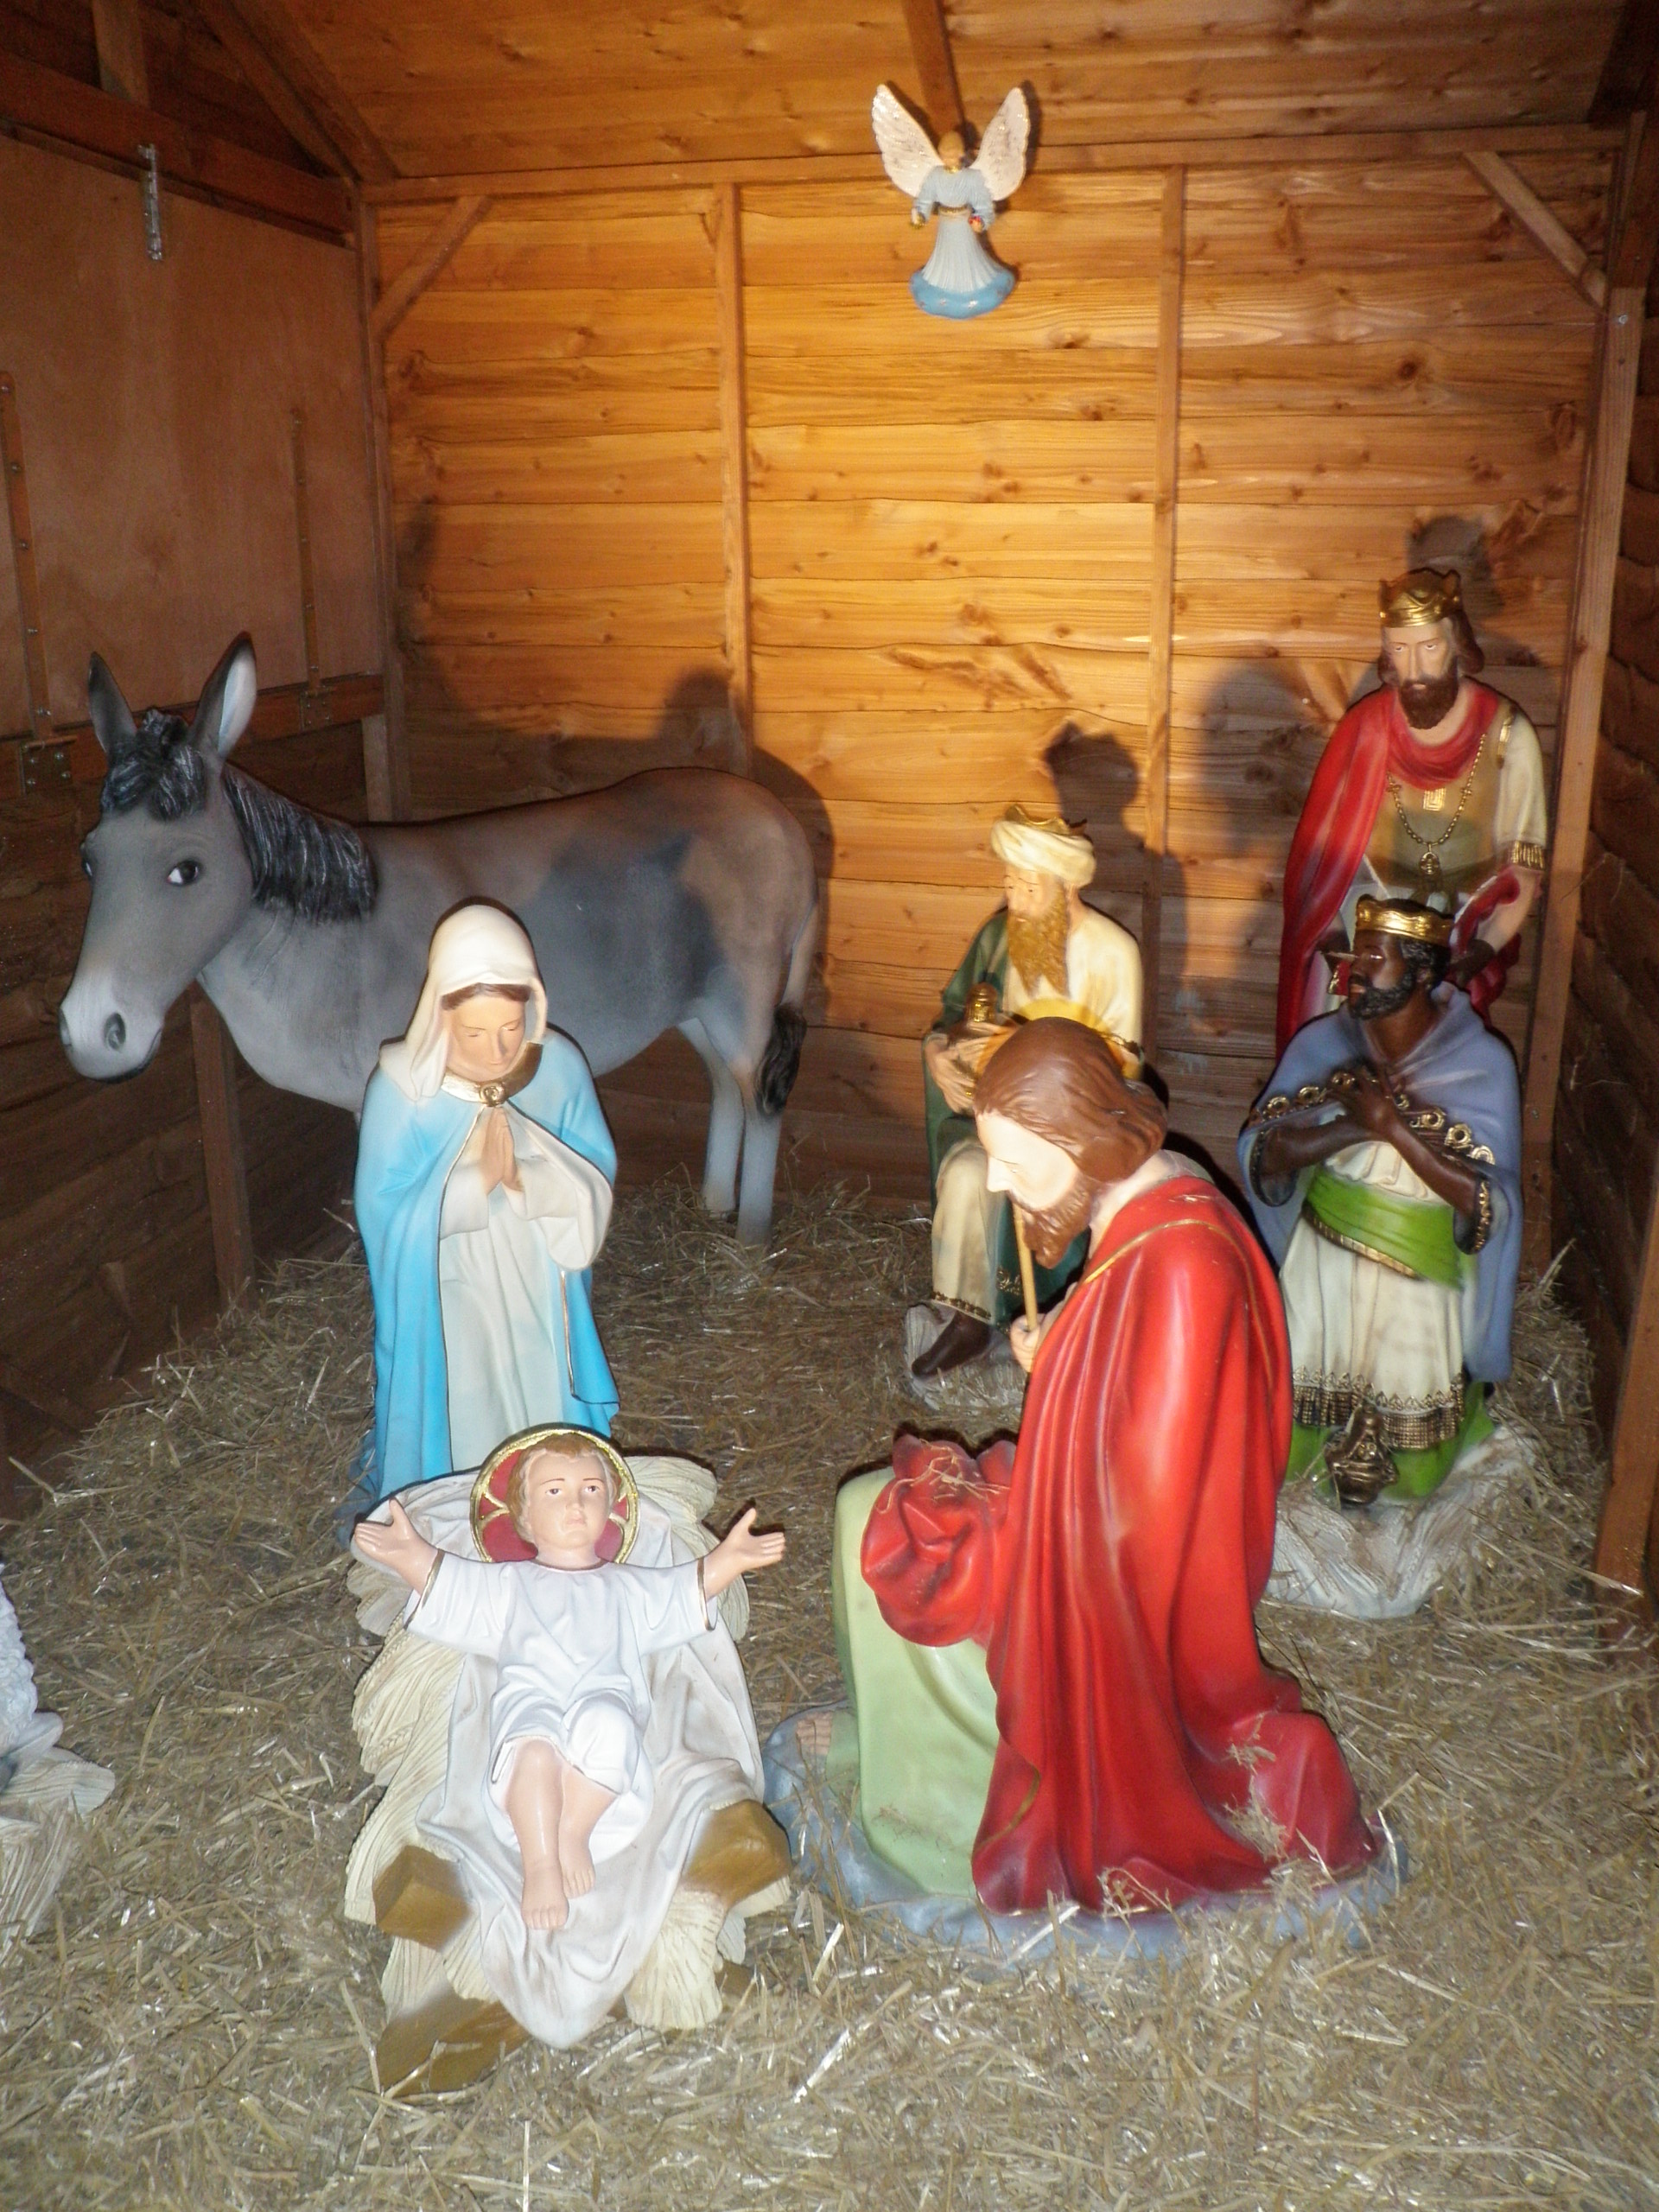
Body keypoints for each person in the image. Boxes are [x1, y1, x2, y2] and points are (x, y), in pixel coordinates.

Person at [835, 1019, 1376, 1913]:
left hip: (1111, 1587)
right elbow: (1124, 1371)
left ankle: (935, 1798)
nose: (997, 1182)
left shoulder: (1183, 1262)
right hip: (1079, 1510)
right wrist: (1060, 1348)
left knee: (884, 1523)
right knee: (882, 1507)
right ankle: (902, 1761)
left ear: (1081, 1140)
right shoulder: (1148, 1205)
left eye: (1015, 1160)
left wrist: (1029, 1479)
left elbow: (1143, 1507)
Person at [354, 1431, 784, 1931]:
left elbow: (678, 1594)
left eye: (591, 1490)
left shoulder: (624, 1586)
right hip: (530, 1712)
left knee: (611, 1726)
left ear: (611, 1507)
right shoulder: (511, 1585)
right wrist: (410, 1556)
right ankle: (540, 1865)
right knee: (534, 1751)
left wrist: (729, 1560)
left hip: (605, 1753)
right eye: (554, 1491)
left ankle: (573, 1832)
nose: (575, 1504)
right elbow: (457, 1589)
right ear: (524, 1516)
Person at [1242, 898, 1522, 1504]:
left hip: (1418, 1281)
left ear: (1420, 972)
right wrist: (1355, 1127)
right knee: (1294, 1444)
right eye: (1358, 955)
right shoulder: (1323, 1044)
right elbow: (1265, 1154)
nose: (1355, 969)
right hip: (1321, 1267)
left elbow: (1489, 1204)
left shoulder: (1482, 1066)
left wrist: (1395, 1131)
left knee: (1408, 1474)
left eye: (1374, 958)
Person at [354, 903, 618, 1501]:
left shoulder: (559, 1069)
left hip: (536, 1284)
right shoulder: (402, 1094)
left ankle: (552, 1506)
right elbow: (383, 1214)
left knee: (540, 1393)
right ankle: (463, 1510)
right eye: (475, 1034)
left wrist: (527, 1179)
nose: (498, 1051)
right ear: (440, 1016)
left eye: (511, 1027)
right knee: (470, 1401)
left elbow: (594, 1172)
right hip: (453, 1293)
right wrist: (474, 1185)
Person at [1275, 566, 1548, 1050]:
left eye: (1430, 646)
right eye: (1400, 649)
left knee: (1445, 1061)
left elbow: (1522, 877)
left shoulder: (1508, 736)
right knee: (1334, 1053)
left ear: (1456, 644)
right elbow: (1317, 866)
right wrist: (1337, 943)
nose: (1416, 669)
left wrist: (1473, 956)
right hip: (1364, 934)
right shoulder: (1365, 729)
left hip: (1456, 935)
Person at [913, 804, 1142, 1376]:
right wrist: (938, 1051)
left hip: (1073, 1132)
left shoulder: (1113, 953)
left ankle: (1065, 1319)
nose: (1015, 901)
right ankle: (968, 1319)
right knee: (967, 1175)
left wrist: (1022, 1050)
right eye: (1009, 884)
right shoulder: (998, 938)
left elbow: (1126, 1065)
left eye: (1029, 888)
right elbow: (955, 1012)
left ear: (1064, 888)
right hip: (995, 1122)